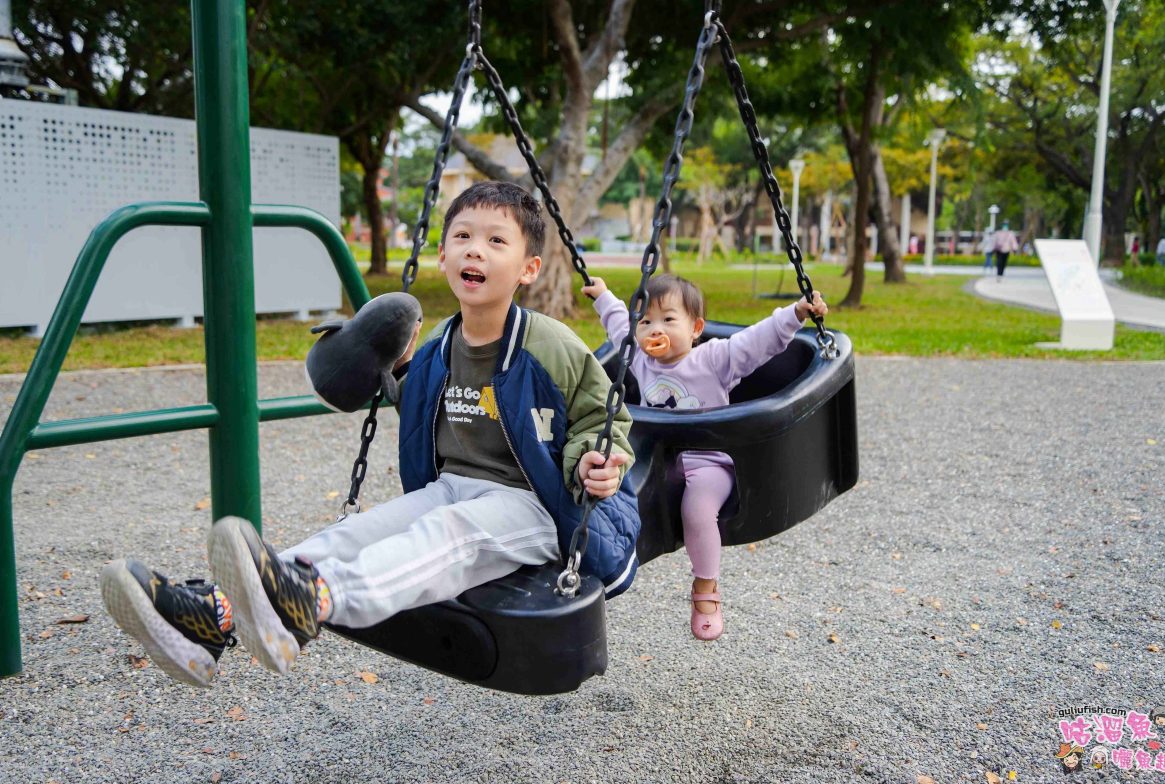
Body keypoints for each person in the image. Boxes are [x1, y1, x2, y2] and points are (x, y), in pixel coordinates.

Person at [100, 182, 640, 687]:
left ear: (528, 268)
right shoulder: (438, 346)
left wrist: (594, 459)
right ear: (444, 256)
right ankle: (211, 617)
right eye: (463, 237)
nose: (475, 250)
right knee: (352, 535)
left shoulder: (550, 344)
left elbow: (605, 415)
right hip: (454, 486)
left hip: (537, 504)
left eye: (496, 241)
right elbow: (417, 400)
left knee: (446, 538)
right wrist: (363, 361)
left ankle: (310, 602)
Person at [581, 273, 828, 640]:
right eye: (646, 321)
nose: (653, 329)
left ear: (696, 328)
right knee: (610, 491)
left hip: (710, 463)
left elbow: (758, 340)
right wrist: (602, 296)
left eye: (668, 319)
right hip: (662, 461)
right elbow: (620, 325)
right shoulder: (640, 360)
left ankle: (705, 589)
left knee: (696, 510)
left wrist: (796, 313)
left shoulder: (716, 359)